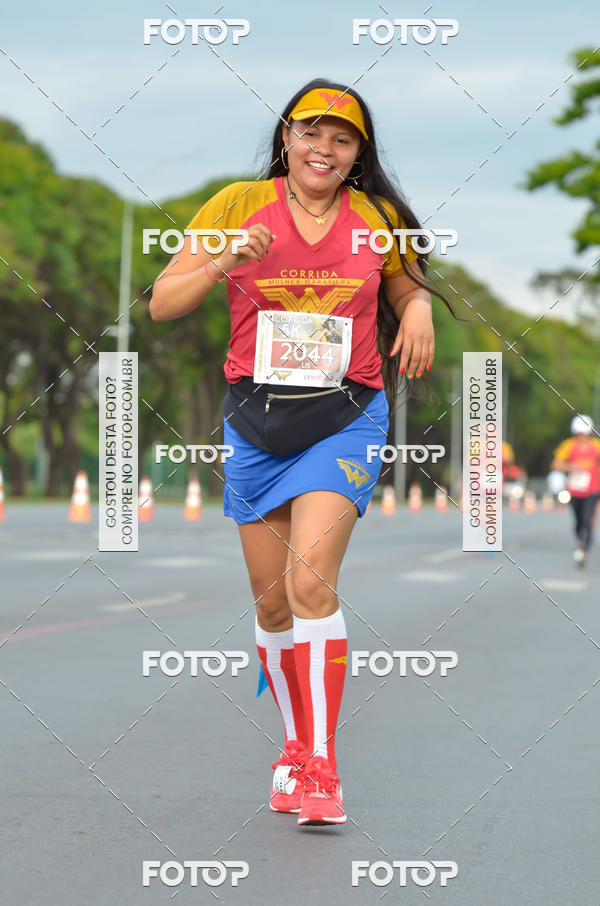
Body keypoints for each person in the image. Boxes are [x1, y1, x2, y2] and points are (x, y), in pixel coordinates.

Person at [149, 79, 453, 827]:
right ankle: (293, 744)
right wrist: (223, 259)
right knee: (273, 600)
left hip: (346, 414)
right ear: (286, 137)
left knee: (311, 583)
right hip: (256, 419)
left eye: (342, 139)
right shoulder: (233, 205)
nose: (325, 148)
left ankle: (319, 765)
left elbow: (409, 289)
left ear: (358, 155)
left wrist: (417, 313)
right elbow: (161, 302)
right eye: (311, 133)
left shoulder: (376, 218)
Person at [551, 414, 600, 566]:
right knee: (579, 520)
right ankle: (582, 539)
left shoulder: (597, 446)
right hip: (574, 490)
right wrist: (573, 467)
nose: (581, 438)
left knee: (587, 517)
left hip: (593, 489)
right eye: (579, 434)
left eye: (584, 434)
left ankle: (584, 546)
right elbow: (556, 465)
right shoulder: (568, 445)